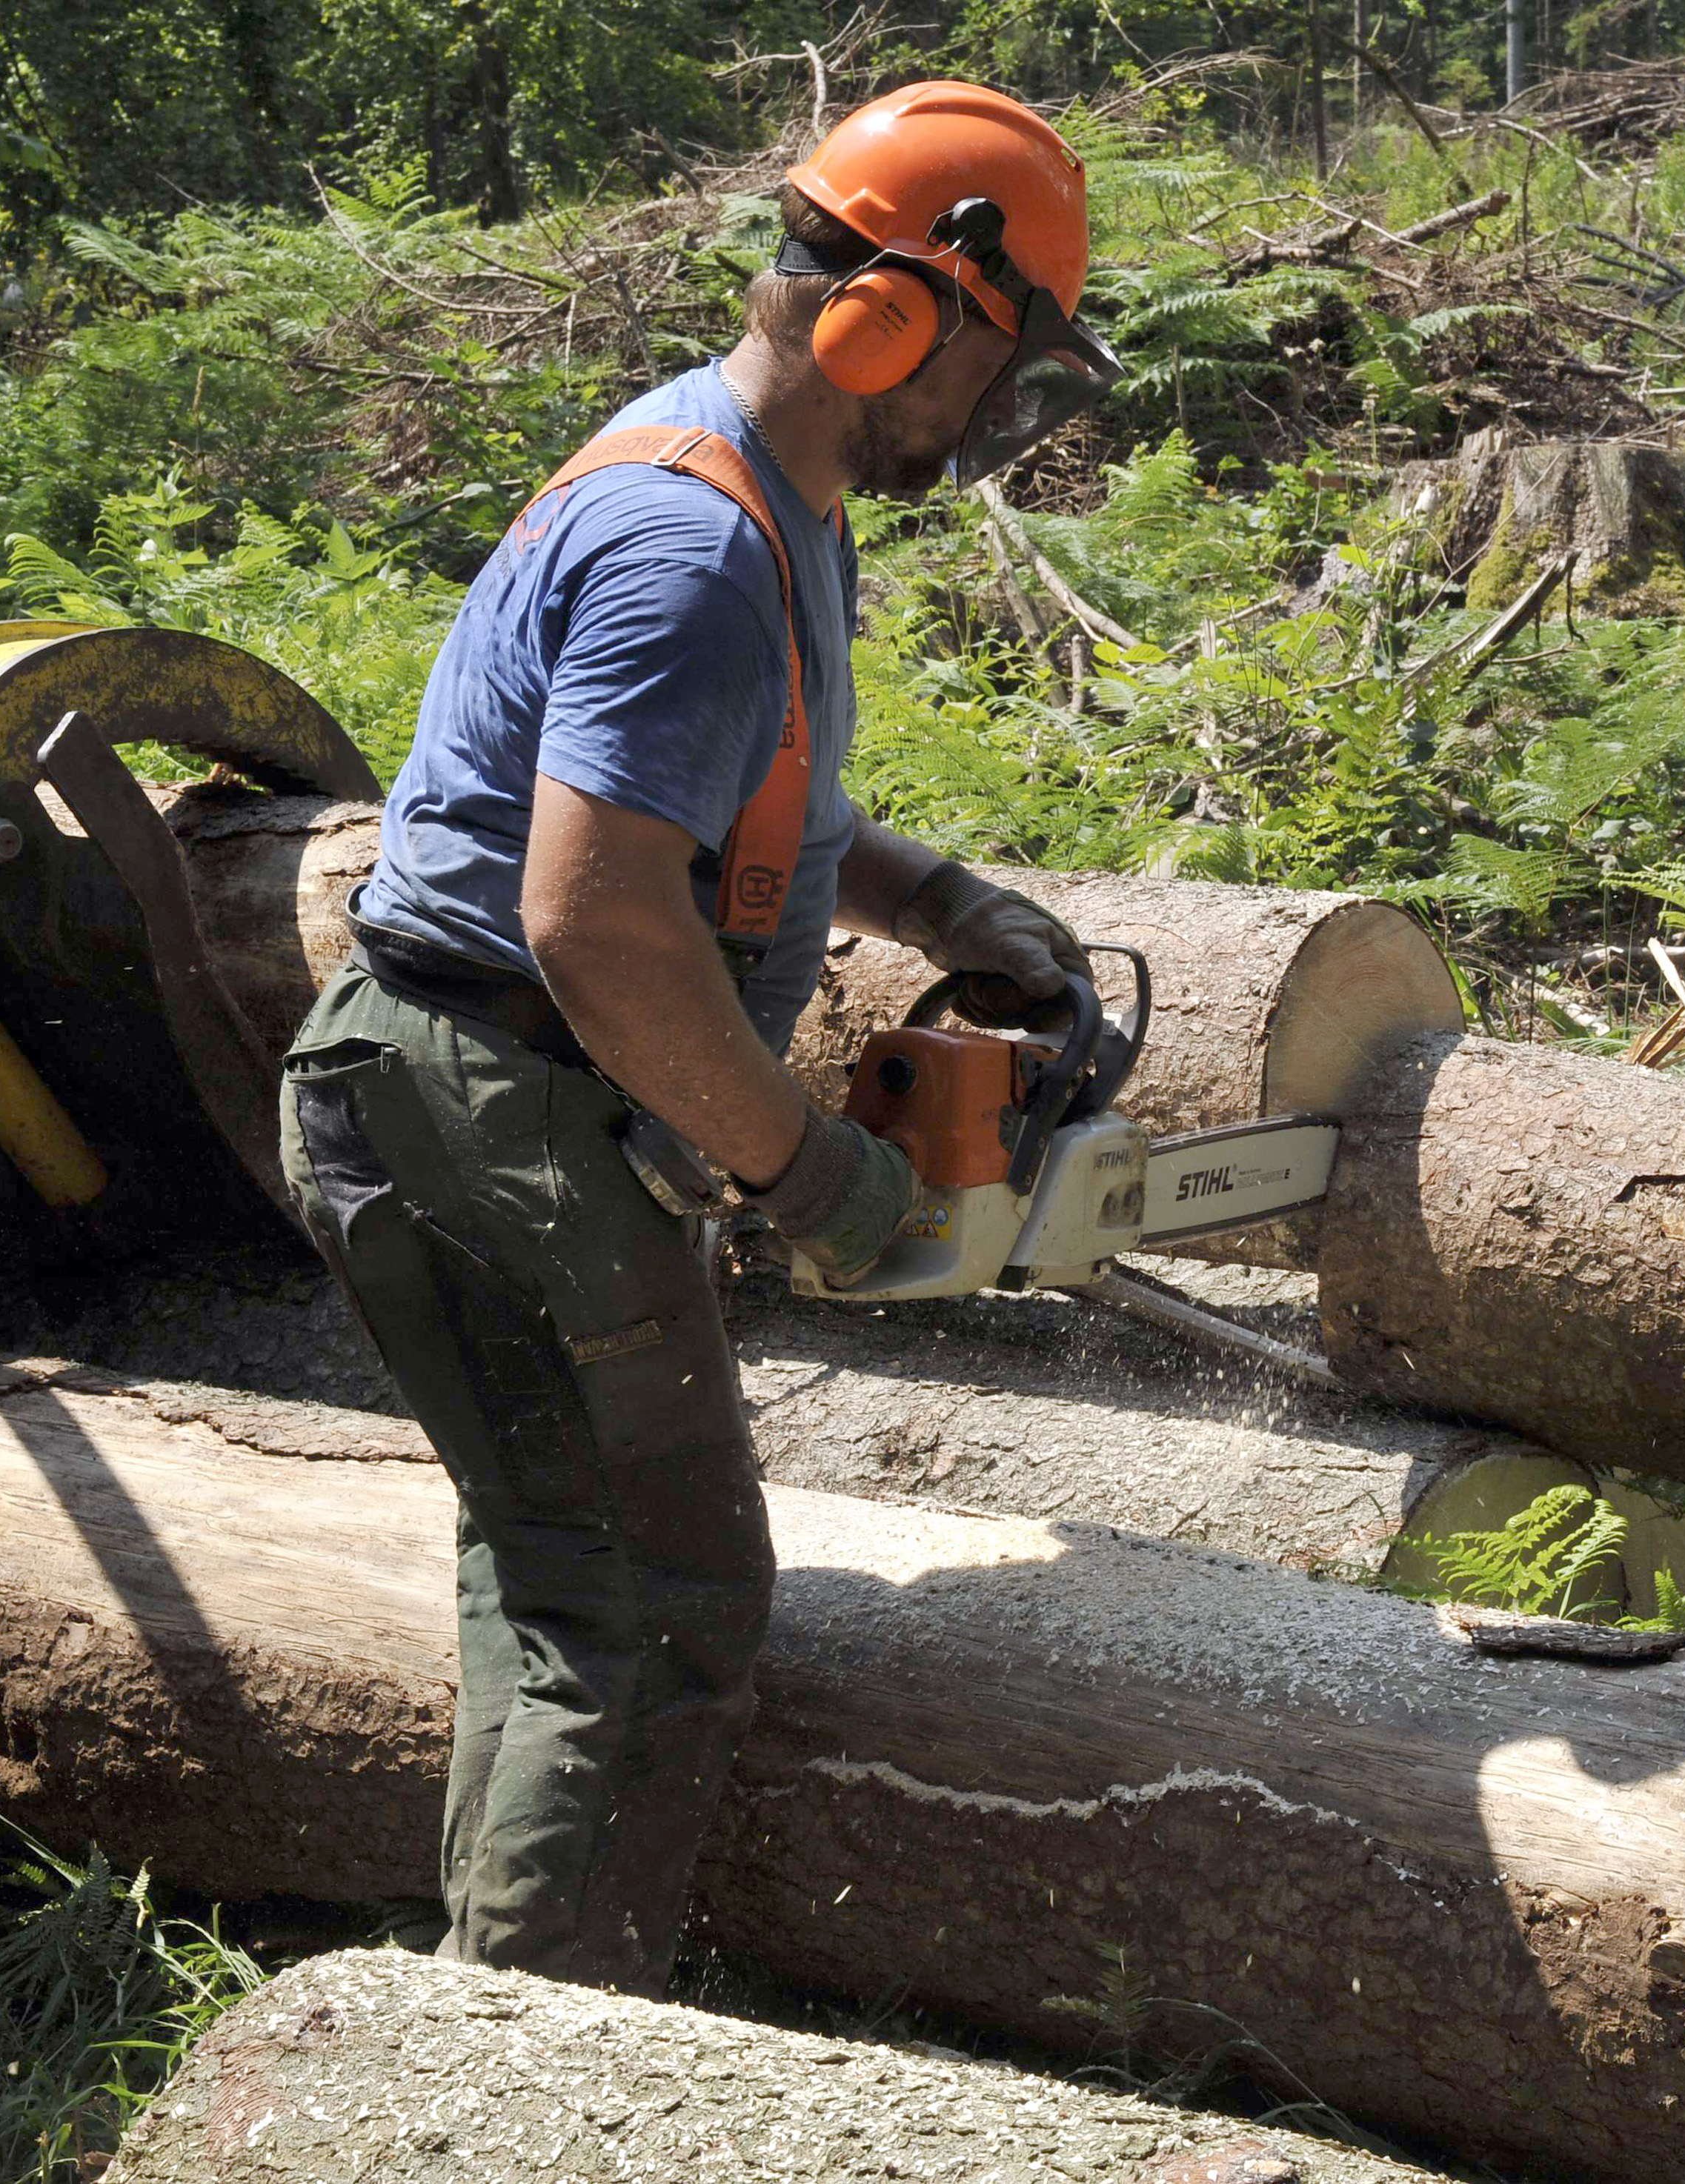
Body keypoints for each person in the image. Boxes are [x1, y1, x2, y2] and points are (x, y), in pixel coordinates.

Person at [274, 80, 1123, 1996]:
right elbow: (592, 917)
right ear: (895, 315)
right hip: (495, 1095)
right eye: (1002, 372)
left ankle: (488, 2005)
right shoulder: (696, 545)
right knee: (660, 1612)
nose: (1000, 424)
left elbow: (704, 804)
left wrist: (930, 900)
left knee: (562, 1577)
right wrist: (806, 1169)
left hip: (420, 1081)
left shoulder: (748, 472)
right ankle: (544, 2070)